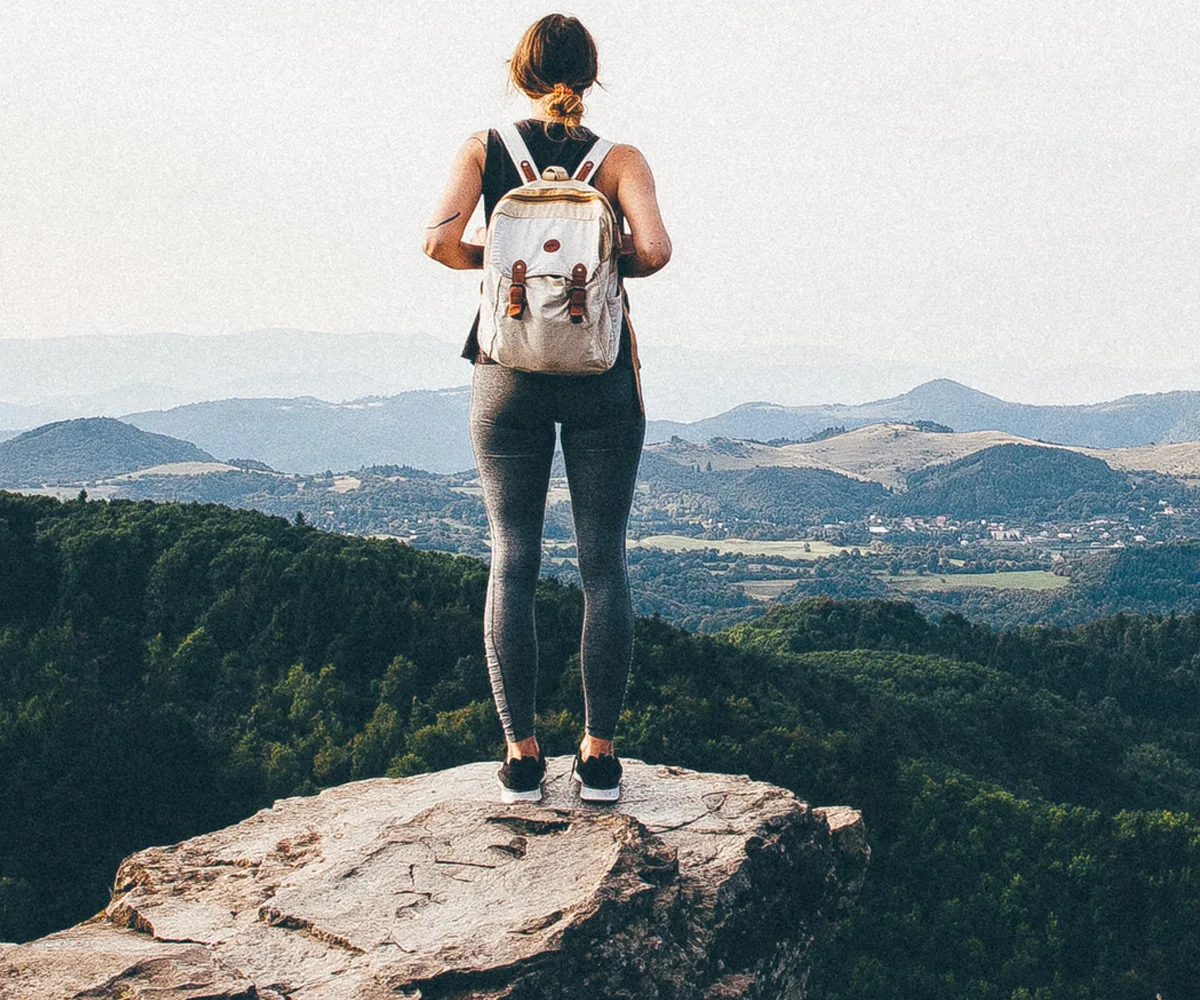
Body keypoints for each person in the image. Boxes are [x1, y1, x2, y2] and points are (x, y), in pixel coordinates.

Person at [423, 13, 671, 803]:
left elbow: (436, 241)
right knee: (604, 561)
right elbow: (657, 250)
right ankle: (597, 758)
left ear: (520, 72)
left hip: (507, 370)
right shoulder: (618, 158)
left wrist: (502, 269)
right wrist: (595, 271)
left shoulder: (485, 149)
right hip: (599, 369)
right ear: (590, 76)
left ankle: (522, 756)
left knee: (513, 556)